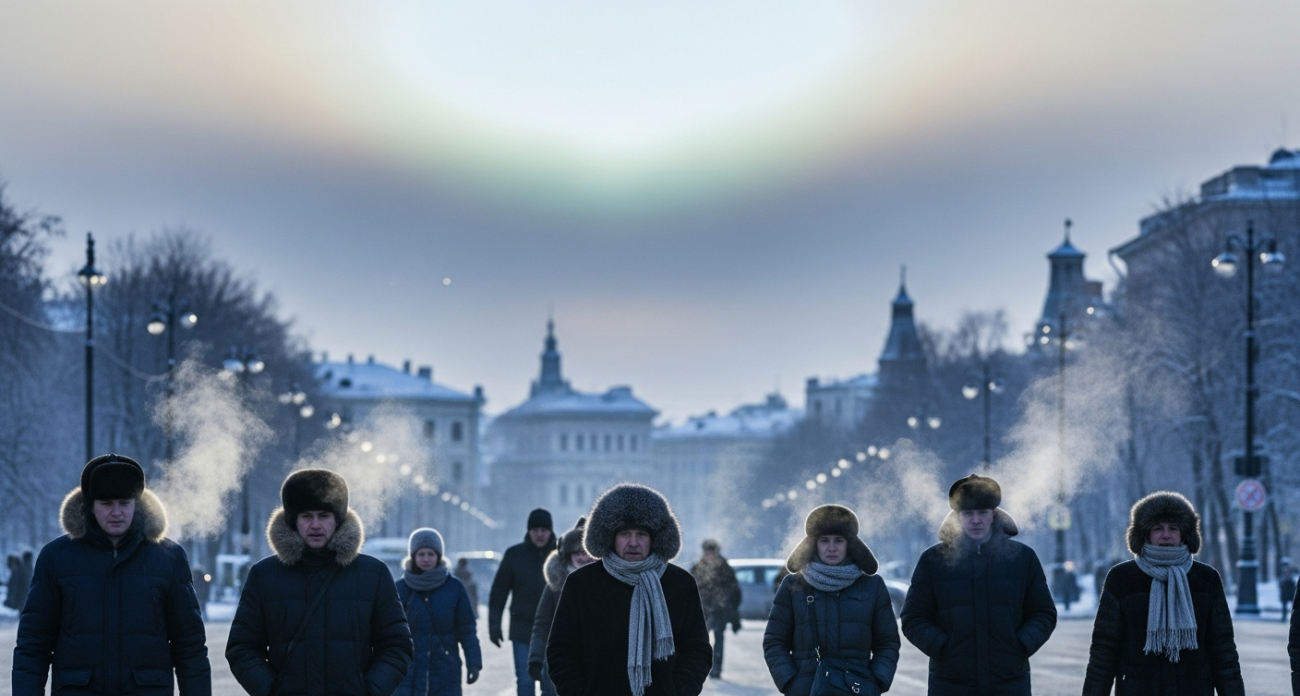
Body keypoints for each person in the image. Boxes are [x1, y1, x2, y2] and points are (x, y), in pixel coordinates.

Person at [12, 453, 211, 695]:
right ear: (90, 505)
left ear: (137, 503)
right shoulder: (57, 557)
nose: (116, 512)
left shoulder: (168, 557)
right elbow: (33, 644)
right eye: (106, 503)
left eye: (124, 502)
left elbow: (189, 647)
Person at [226, 468, 413, 696]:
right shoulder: (264, 575)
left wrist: (370, 690)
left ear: (338, 520)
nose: (315, 525)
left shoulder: (373, 574)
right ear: (294, 521)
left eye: (324, 516)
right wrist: (271, 690)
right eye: (306, 516)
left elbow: (396, 646)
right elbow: (242, 647)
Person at [547, 483, 713, 696]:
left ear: (654, 538)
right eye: (625, 533)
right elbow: (561, 650)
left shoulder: (679, 584)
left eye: (641, 534)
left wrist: (679, 691)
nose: (633, 542)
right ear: (610, 536)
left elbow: (697, 650)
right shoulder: (582, 584)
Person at [901, 474, 1057, 695]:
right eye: (968, 513)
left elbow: (1043, 613)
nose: (976, 520)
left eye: (982, 512)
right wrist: (944, 648)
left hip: (1008, 681)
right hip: (951, 682)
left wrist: (1019, 645)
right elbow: (913, 618)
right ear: (957, 517)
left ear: (994, 515)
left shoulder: (1022, 558)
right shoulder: (934, 560)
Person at [1081, 491, 1244, 696]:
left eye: (1173, 528)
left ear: (1184, 534)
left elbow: (1224, 653)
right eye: (1158, 528)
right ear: (1144, 534)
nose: (1166, 535)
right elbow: (1103, 654)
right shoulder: (1122, 578)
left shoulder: (1206, 579)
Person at [763, 504, 900, 696]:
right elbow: (775, 642)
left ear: (849, 544)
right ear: (814, 544)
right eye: (824, 540)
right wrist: (791, 683)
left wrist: (877, 681)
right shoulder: (794, 585)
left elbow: (887, 643)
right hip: (806, 691)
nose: (831, 548)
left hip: (857, 689)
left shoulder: (872, 586)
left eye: (839, 540)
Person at [395, 527, 481, 696]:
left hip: (445, 669)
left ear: (439, 556)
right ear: (413, 556)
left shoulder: (454, 588)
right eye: (421, 554)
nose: (426, 559)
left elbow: (467, 629)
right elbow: (387, 631)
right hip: (407, 671)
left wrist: (474, 662)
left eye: (431, 554)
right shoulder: (400, 589)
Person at [490, 507, 558, 696]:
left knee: (550, 685)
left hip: (552, 631)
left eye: (543, 530)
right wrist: (494, 626)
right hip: (522, 629)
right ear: (528, 531)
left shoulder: (560, 555)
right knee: (525, 682)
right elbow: (499, 592)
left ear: (550, 531)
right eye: (535, 530)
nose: (539, 534)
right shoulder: (514, 555)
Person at [528, 518, 593, 685]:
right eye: (576, 552)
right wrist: (536, 658)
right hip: (559, 661)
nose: (581, 557)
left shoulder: (604, 583)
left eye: (584, 552)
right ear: (567, 555)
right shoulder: (555, 584)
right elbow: (542, 623)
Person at [690, 539, 742, 680]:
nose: (711, 555)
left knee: (718, 641)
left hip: (720, 611)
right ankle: (699, 668)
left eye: (713, 552)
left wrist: (731, 608)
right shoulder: (698, 567)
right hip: (703, 611)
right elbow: (690, 589)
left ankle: (716, 669)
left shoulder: (724, 568)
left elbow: (734, 590)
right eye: (708, 552)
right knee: (700, 642)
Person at [1279, 558, 1295, 623]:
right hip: (1285, 592)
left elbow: (1293, 582)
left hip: (1290, 591)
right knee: (1284, 605)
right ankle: (1284, 617)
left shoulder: (1291, 573)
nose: (1285, 568)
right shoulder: (1282, 574)